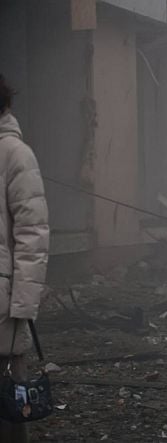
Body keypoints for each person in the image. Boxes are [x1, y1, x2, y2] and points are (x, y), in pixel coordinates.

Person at [0, 74, 50, 442]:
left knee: (11, 397)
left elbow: (32, 233)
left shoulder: (15, 154)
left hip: (4, 301)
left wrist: (23, 306)